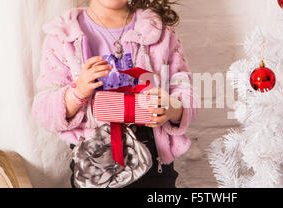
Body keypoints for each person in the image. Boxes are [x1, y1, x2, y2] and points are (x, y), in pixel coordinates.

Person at [32, 0, 198, 188]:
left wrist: (171, 108)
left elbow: (184, 88)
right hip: (94, 160)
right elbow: (43, 110)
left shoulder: (159, 30)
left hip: (152, 155)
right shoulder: (62, 36)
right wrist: (77, 92)